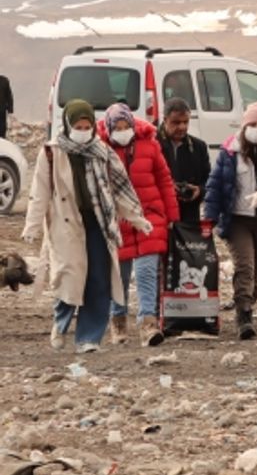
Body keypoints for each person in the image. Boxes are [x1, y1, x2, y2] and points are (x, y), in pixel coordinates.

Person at [21, 99, 152, 353]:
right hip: (66, 224)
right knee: (69, 276)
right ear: (68, 125)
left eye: (87, 125)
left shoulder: (102, 151)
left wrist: (137, 218)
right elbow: (40, 192)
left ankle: (88, 338)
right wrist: (32, 225)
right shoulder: (51, 152)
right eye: (78, 126)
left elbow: (121, 188)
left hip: (99, 224)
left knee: (98, 280)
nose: (82, 131)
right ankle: (60, 324)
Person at [203, 102, 257, 340]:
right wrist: (209, 219)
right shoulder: (229, 152)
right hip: (237, 220)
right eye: (253, 124)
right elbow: (215, 186)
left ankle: (249, 305)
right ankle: (244, 314)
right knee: (245, 267)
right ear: (244, 125)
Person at [99, 103, 179, 347]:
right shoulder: (101, 150)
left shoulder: (150, 145)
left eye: (126, 126)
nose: (123, 131)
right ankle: (118, 321)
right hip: (118, 221)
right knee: (119, 277)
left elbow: (164, 180)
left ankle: (148, 324)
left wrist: (171, 215)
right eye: (118, 127)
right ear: (110, 128)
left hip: (149, 217)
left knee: (146, 273)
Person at [159, 98, 211, 227]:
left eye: (185, 122)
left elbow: (209, 180)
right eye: (176, 122)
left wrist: (200, 191)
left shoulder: (199, 147)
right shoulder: (152, 145)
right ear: (165, 120)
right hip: (160, 215)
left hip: (189, 216)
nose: (182, 127)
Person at [0, 72, 12, 139]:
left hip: (2, 109)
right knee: (2, 127)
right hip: (2, 109)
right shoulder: (5, 80)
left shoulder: (5, 81)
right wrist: (10, 108)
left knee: (2, 126)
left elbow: (9, 95)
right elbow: (9, 95)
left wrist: (10, 108)